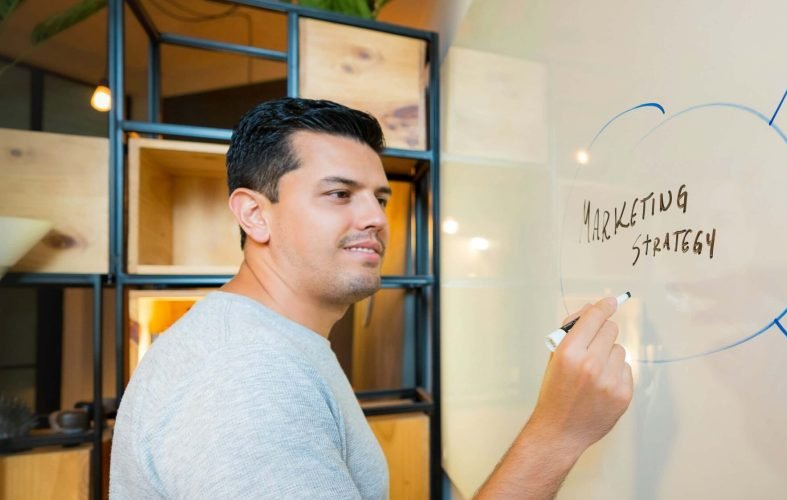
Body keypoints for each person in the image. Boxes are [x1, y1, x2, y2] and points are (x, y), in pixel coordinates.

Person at [109, 98, 633, 499]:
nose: (377, 218)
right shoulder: (244, 377)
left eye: (379, 198)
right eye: (339, 194)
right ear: (253, 214)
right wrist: (557, 434)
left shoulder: (268, 343)